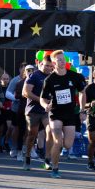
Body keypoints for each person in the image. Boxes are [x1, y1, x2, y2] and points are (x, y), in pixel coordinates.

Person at [39, 50, 87, 178]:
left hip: (70, 113)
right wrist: (45, 106)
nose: (62, 61)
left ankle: (54, 157)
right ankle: (55, 168)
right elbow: (42, 98)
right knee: (58, 141)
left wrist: (82, 110)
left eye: (63, 59)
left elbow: (82, 92)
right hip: (55, 113)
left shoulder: (74, 76)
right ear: (54, 63)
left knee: (67, 144)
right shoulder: (49, 80)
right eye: (59, 59)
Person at [22, 56, 54, 170]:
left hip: (46, 111)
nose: (48, 68)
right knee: (32, 134)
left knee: (50, 131)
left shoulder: (53, 77)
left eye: (51, 66)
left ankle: (46, 160)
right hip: (33, 110)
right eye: (46, 65)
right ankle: (27, 157)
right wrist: (41, 100)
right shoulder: (34, 75)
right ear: (40, 64)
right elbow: (25, 93)